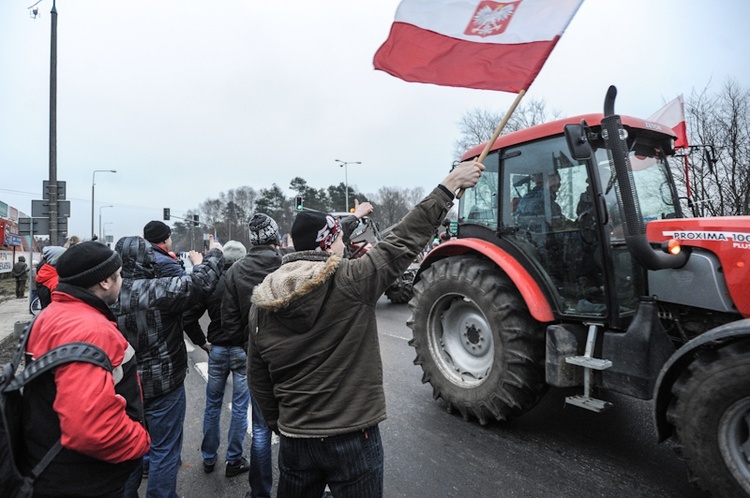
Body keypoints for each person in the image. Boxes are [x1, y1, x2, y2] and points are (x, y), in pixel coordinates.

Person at [248, 160, 484, 497]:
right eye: (341, 239)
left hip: (296, 440)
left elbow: (258, 379)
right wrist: (447, 187)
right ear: (328, 245)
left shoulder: (263, 301)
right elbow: (404, 239)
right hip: (353, 437)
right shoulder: (352, 281)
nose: (345, 245)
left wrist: (283, 426)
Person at [22, 241, 151, 497]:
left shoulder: (50, 316)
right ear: (105, 282)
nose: (122, 281)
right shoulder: (92, 331)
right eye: (119, 275)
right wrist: (140, 440)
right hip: (83, 478)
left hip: (49, 464)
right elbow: (91, 428)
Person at [114, 236, 223, 498]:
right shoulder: (156, 290)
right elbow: (200, 283)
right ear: (148, 259)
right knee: (165, 450)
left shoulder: (107, 296)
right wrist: (212, 255)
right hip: (164, 383)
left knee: (127, 451)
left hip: (124, 388)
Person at [221, 213, 289, 498]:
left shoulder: (234, 271)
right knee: (294, 427)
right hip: (291, 358)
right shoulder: (286, 264)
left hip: (256, 359)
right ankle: (294, 487)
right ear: (275, 238)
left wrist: (249, 345)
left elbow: (229, 322)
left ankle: (259, 492)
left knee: (261, 430)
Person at [182, 240, 252, 479]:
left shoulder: (212, 284)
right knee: (241, 407)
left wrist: (202, 342)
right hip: (243, 350)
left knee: (213, 404)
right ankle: (234, 459)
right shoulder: (248, 281)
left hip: (218, 350)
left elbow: (188, 317)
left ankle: (209, 457)